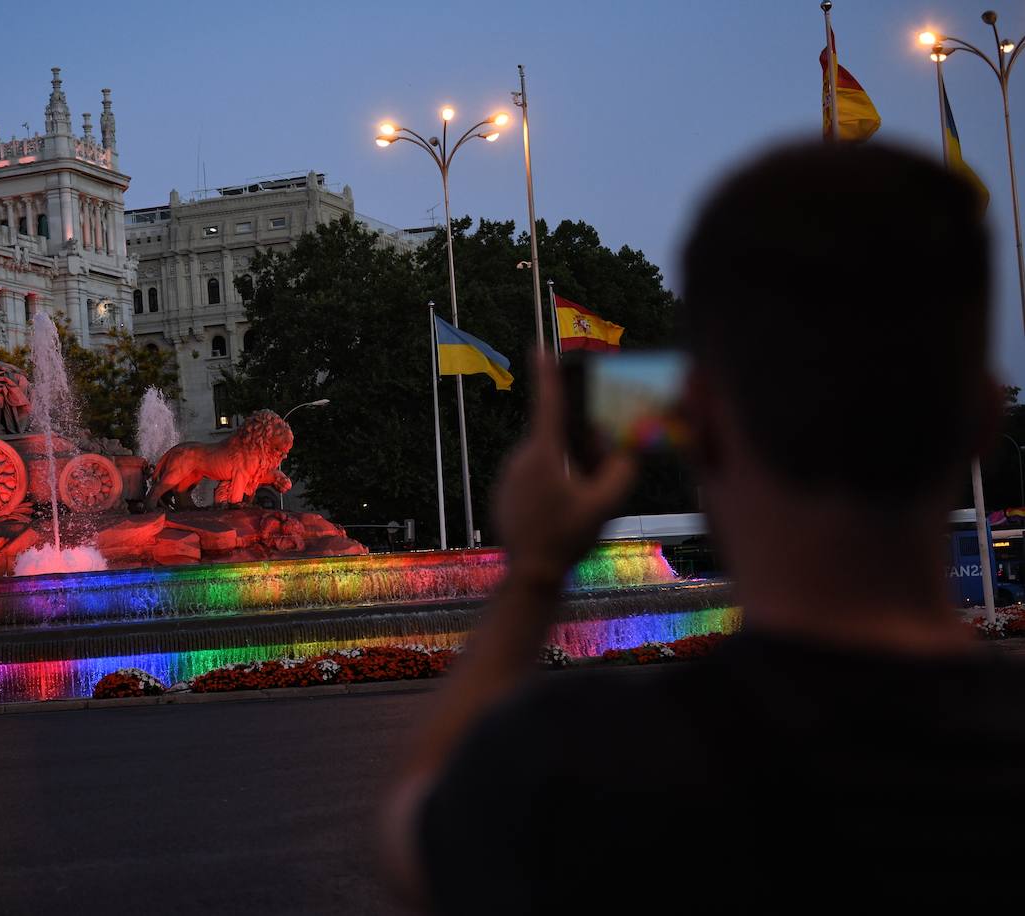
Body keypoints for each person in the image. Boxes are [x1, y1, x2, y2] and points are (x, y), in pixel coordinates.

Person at [379, 141, 1025, 910]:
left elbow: (413, 831)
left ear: (699, 418)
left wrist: (537, 573)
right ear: (983, 419)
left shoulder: (595, 776)